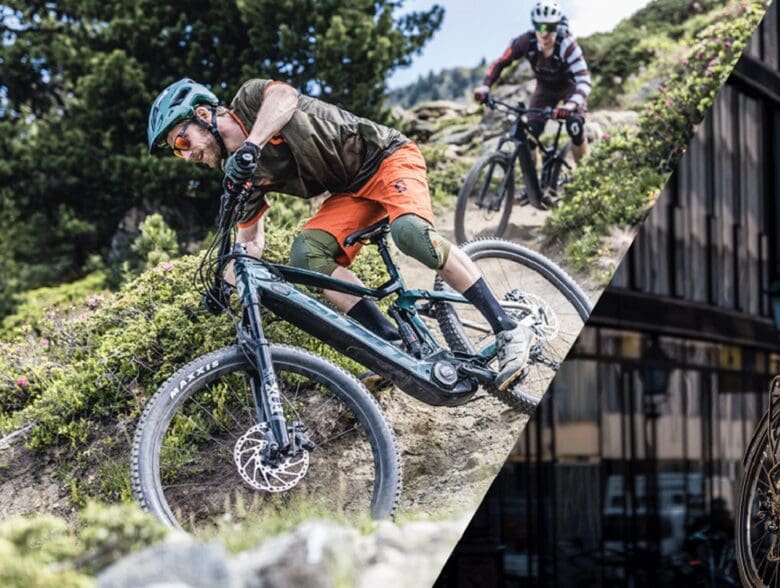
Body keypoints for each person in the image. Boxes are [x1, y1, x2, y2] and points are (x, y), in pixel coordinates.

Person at [146, 78, 534, 391]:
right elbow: (250, 243)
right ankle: (392, 347)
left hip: (386, 157)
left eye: (182, 141)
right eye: (175, 152)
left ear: (203, 115)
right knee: (307, 256)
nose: (186, 155)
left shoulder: (249, 102)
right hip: (350, 192)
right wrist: (229, 279)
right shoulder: (241, 171)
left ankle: (508, 329)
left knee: (411, 234)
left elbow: (284, 97)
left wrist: (252, 144)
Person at [474, 0, 592, 163]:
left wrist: (570, 106)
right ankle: (532, 184)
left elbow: (584, 80)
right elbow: (500, 62)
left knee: (575, 127)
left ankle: (584, 173)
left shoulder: (568, 45)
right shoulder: (525, 42)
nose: (544, 34)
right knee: (530, 134)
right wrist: (485, 87)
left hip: (569, 89)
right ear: (534, 25)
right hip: (544, 89)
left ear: (557, 26)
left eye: (550, 28)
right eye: (540, 27)